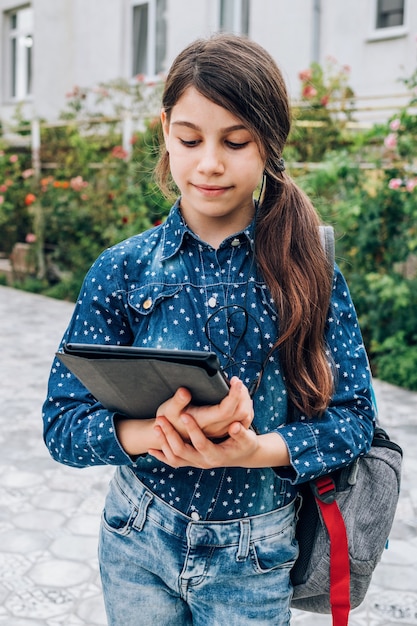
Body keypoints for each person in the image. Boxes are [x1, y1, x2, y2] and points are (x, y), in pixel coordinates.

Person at [42, 33, 376, 626]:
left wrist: (257, 452)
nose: (210, 162)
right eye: (190, 139)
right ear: (165, 129)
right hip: (136, 537)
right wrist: (151, 434)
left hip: (255, 556)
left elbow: (353, 421)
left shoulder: (307, 271)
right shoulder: (120, 270)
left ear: (269, 144)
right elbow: (61, 424)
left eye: (236, 141)